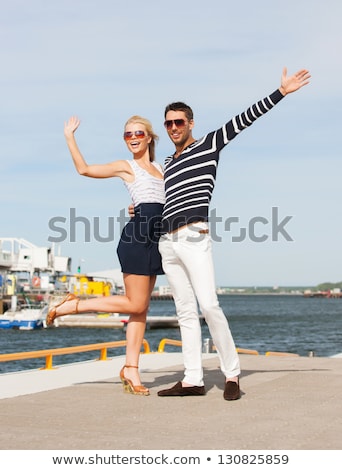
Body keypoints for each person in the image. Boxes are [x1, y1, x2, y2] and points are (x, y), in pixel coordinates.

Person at [154, 67, 311, 400]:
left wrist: (280, 92)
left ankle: (232, 374)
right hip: (167, 241)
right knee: (184, 311)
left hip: (194, 236)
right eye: (168, 123)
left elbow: (244, 119)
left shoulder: (209, 144)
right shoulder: (168, 162)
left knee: (209, 306)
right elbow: (166, 197)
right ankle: (193, 379)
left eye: (178, 122)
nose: (173, 128)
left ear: (190, 124)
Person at [46, 115, 165, 396]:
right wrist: (69, 138)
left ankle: (131, 369)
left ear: (149, 137)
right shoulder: (127, 167)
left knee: (141, 309)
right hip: (136, 238)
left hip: (156, 240)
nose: (132, 137)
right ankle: (72, 306)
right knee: (135, 304)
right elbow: (85, 169)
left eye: (137, 132)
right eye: (127, 135)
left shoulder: (162, 168)